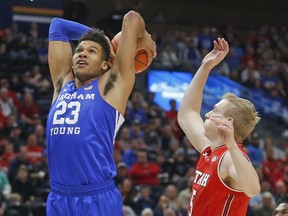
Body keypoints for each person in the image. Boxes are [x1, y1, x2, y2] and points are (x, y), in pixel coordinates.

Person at [46, 10, 156, 216]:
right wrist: (100, 39)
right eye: (79, 50)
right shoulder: (62, 84)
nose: (82, 53)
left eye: (92, 51)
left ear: (106, 63)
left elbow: (131, 18)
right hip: (58, 198)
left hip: (96, 199)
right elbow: (57, 25)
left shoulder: (111, 87)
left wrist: (146, 37)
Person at [177, 38, 261, 215]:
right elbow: (187, 113)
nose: (207, 114)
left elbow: (253, 189)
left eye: (215, 110)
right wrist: (205, 67)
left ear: (228, 122)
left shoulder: (230, 158)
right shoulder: (210, 148)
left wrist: (230, 144)